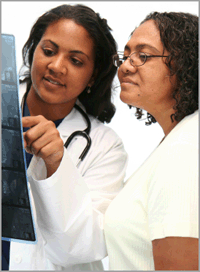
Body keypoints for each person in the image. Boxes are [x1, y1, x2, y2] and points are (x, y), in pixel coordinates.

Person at [2, 4, 128, 270]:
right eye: (48, 51)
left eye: (76, 60)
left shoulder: (105, 147)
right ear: (32, 50)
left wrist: (57, 164)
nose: (56, 66)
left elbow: (85, 246)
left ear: (92, 76)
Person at [104, 11, 198, 270]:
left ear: (185, 64)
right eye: (126, 56)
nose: (124, 67)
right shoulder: (178, 141)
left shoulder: (184, 150)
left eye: (143, 56)